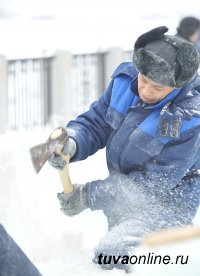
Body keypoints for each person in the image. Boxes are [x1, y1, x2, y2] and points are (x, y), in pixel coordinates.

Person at [48, 26, 200, 272]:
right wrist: (72, 143)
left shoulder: (190, 119)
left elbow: (150, 187)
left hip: (166, 208)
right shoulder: (126, 80)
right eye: (144, 80)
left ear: (178, 85)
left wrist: (89, 196)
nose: (146, 91)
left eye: (158, 88)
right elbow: (97, 122)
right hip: (121, 194)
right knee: (111, 260)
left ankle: (178, 257)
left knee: (113, 254)